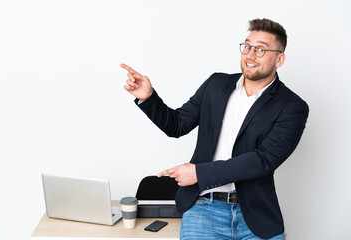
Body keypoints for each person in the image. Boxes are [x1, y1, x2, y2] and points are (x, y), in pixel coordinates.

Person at [121, 18, 309, 240]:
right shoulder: (216, 85)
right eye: (247, 46)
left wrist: (199, 173)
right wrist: (149, 98)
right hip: (204, 209)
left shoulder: (292, 106)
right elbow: (178, 125)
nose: (250, 55)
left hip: (256, 215)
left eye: (260, 49)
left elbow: (263, 160)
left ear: (280, 59)